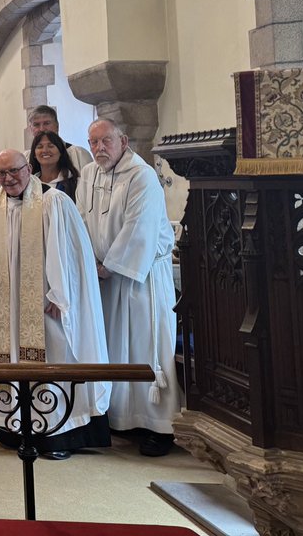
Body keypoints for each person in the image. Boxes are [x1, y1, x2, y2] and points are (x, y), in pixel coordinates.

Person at [0, 149, 111, 459]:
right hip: (6, 305)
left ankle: (57, 435)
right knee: (9, 357)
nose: (8, 178)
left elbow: (70, 253)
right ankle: (15, 427)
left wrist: (60, 293)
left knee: (53, 358)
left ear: (28, 168)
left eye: (14, 170)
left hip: (46, 303)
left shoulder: (53, 201)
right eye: (1, 173)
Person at [77, 118, 180, 457]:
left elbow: (141, 228)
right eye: (92, 143)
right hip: (102, 277)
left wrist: (107, 267)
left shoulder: (142, 176)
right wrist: (87, 262)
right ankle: (120, 418)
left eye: (105, 141)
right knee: (112, 348)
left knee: (144, 345)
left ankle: (158, 427)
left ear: (123, 140)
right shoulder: (89, 174)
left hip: (140, 278)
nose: (98, 149)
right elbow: (81, 220)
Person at [26, 105, 92, 171]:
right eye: (36, 125)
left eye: (46, 123)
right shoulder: (26, 158)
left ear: (57, 126)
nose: (42, 129)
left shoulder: (78, 154)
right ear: (30, 129)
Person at [28, 130, 80, 200]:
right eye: (40, 147)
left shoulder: (75, 183)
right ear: (34, 154)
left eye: (51, 146)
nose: (45, 150)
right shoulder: (28, 184)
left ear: (61, 152)